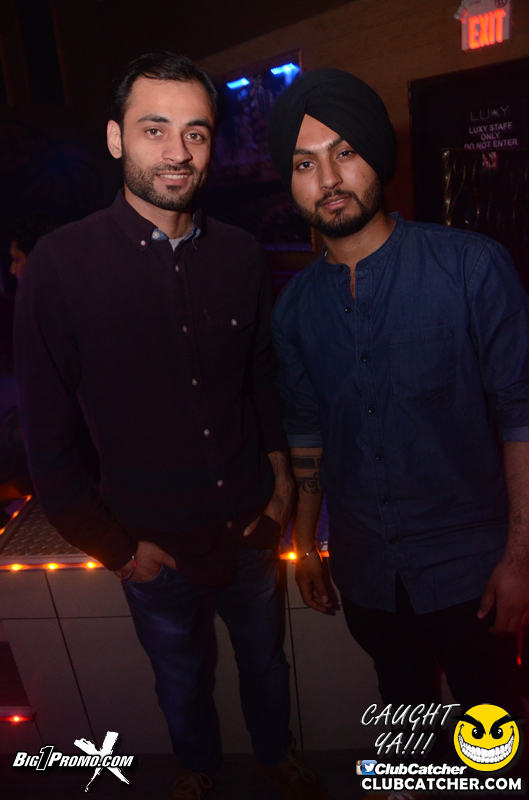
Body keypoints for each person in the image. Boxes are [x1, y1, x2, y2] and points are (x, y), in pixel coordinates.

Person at [14, 53, 331, 800]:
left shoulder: (240, 254)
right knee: (179, 678)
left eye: (196, 132)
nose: (178, 152)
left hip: (250, 528)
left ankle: (275, 755)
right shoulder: (60, 265)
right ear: (116, 138)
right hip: (149, 544)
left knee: (265, 664)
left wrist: (279, 485)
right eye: (154, 129)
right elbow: (46, 438)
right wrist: (118, 550)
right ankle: (197, 769)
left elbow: (260, 378)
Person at [268, 68, 529, 739]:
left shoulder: (471, 267)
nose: (329, 179)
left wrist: (519, 557)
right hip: (367, 573)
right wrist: (305, 541)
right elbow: (305, 427)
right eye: (305, 163)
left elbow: (521, 416)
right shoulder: (294, 309)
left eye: (345, 152)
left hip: (473, 568)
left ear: (376, 155)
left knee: (493, 725)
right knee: (403, 713)